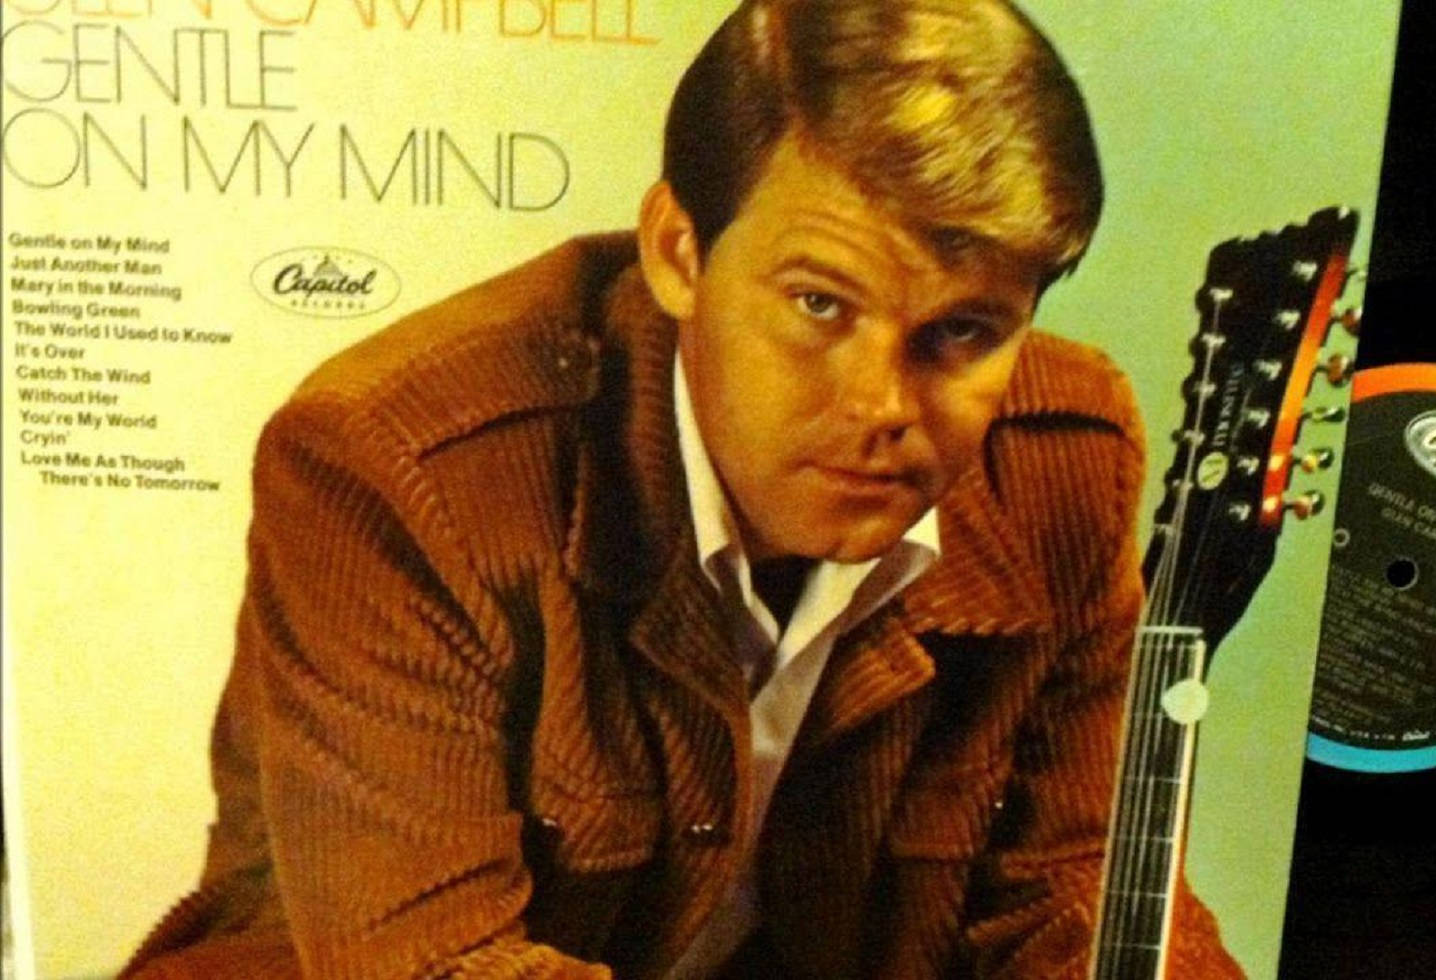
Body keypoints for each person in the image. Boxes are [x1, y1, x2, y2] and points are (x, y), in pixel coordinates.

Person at [123, 1, 1241, 976]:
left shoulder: (1065, 460)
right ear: (676, 251)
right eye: (820, 305)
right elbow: (435, 963)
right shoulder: (397, 471)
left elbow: (1075, 893)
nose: (882, 404)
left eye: (963, 331)